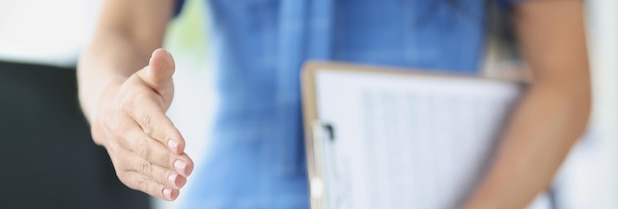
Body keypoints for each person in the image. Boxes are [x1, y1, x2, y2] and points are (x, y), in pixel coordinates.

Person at [77, 0, 590, 208]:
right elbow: (119, 31)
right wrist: (110, 103)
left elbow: (563, 81)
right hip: (239, 194)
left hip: (449, 195)